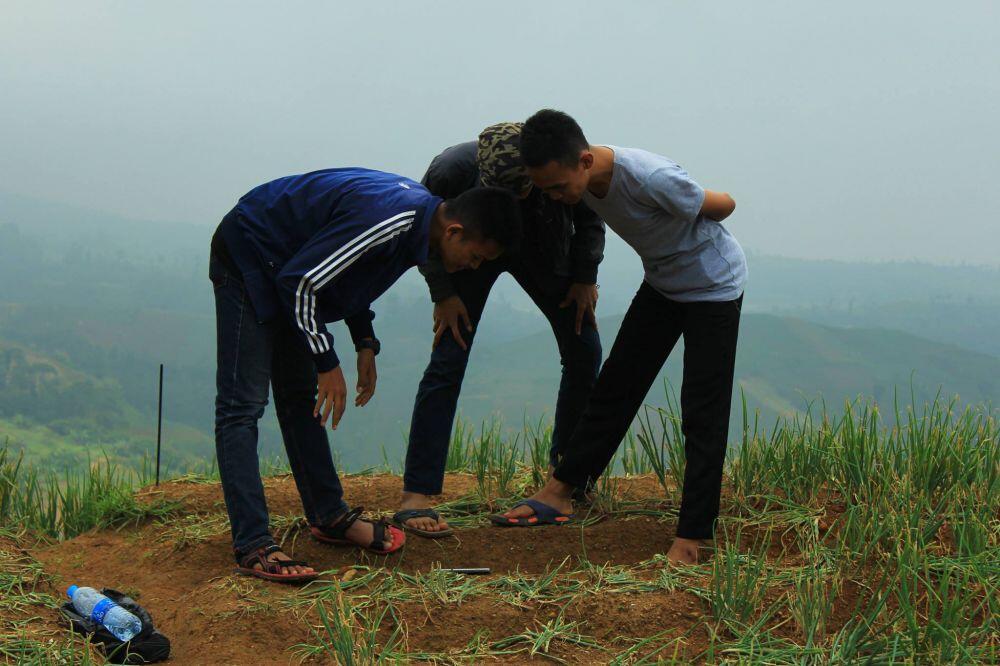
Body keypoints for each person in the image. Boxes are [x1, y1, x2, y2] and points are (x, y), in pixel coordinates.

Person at [210, 167, 521, 582]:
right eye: (477, 255)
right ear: (454, 231)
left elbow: (349, 272)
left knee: (299, 398)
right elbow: (301, 282)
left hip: (287, 265)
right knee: (242, 405)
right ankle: (253, 544)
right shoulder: (392, 221)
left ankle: (328, 515)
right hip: (250, 251)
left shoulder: (417, 225)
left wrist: (365, 342)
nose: (471, 266)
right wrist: (327, 362)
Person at [492, 110, 746, 565]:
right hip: (664, 284)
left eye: (556, 187)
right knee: (616, 385)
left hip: (713, 286)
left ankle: (694, 534)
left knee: (702, 409)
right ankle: (560, 491)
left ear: (585, 161)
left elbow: (723, 205)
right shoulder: (579, 183)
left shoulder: (652, 178)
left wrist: (705, 203)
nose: (551, 197)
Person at [395, 122, 605, 537]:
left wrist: (584, 276)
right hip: (473, 250)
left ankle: (567, 480)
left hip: (542, 247)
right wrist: (443, 292)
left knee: (584, 348)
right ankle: (416, 494)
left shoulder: (553, 167)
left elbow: (590, 215)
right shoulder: (452, 169)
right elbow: (423, 224)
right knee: (448, 355)